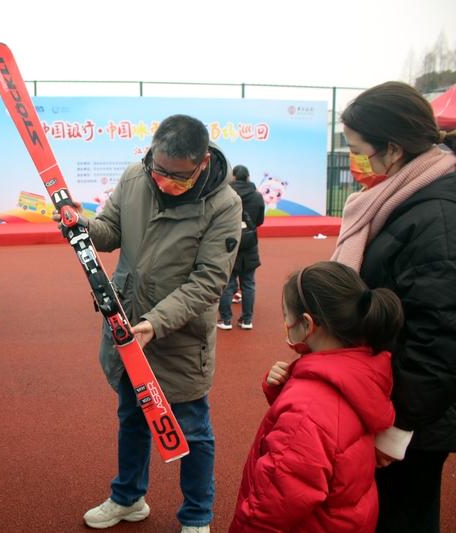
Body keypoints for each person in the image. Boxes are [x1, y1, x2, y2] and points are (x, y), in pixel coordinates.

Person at [59, 114, 242, 532]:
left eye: (177, 176)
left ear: (201, 163)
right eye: (158, 170)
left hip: (179, 338)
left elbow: (208, 282)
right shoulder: (135, 178)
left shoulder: (225, 205)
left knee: (192, 430)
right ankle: (128, 497)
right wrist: (82, 225)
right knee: (131, 417)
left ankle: (197, 516)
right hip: (126, 325)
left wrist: (156, 323)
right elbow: (109, 231)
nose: (163, 181)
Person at [332, 81, 456, 532]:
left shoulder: (435, 216)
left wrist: (398, 427)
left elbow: (438, 336)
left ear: (394, 148)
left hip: (410, 416)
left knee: (402, 514)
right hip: (388, 397)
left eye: (358, 148)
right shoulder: (400, 197)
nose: (354, 160)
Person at [230, 261, 404, 532]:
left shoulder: (305, 412)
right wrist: (284, 389)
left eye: (285, 315)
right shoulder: (363, 370)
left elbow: (270, 509)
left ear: (308, 324)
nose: (285, 323)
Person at [217, 165, 265, 330]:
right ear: (248, 177)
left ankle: (226, 320)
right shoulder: (257, 196)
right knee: (249, 283)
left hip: (230, 243)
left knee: (228, 283)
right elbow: (259, 221)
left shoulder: (225, 195)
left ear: (234, 177)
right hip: (250, 243)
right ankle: (247, 320)